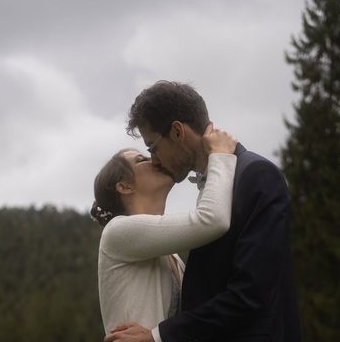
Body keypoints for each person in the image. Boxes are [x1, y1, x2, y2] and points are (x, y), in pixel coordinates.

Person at [105, 81, 301, 342]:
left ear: (176, 131)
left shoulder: (255, 174)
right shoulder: (216, 186)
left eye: (152, 147)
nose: (154, 160)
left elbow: (250, 294)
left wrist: (159, 336)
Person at [91, 124, 238, 336]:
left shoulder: (173, 258)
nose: (154, 160)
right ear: (124, 187)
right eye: (142, 160)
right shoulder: (117, 232)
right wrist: (219, 156)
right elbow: (212, 219)